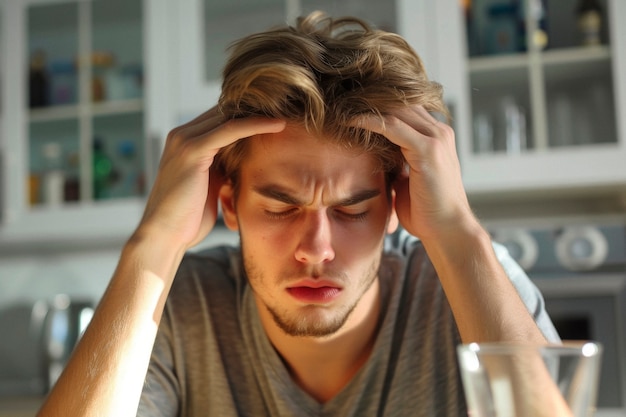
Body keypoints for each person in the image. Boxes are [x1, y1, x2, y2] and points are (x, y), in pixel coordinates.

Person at [37, 11, 560, 417]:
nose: (316, 247)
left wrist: (459, 234)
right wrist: (152, 246)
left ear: (397, 207)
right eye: (280, 208)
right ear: (228, 207)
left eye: (353, 210)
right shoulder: (181, 306)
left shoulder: (469, 285)